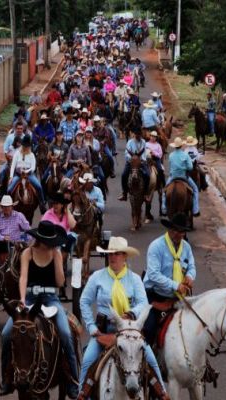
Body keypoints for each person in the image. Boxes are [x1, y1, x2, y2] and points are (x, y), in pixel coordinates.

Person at [78, 236, 168, 400]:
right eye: (110, 253)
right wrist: (91, 327)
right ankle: (81, 395)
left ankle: (163, 394)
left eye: (117, 254)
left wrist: (132, 313)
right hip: (105, 332)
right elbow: (84, 301)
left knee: (151, 360)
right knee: (87, 360)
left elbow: (143, 302)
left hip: (130, 332)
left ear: (125, 256)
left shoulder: (134, 279)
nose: (113, 257)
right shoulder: (97, 277)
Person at [0, 221, 80, 398]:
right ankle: (6, 378)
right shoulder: (28, 253)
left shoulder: (56, 253)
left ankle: (74, 380)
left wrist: (57, 259)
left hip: (51, 298)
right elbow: (23, 278)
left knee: (66, 334)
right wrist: (21, 300)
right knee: (6, 334)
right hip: (29, 298)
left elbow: (60, 283)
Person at [142, 213, 196, 345]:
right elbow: (153, 274)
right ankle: (147, 361)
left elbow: (191, 267)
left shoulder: (186, 247)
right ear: (169, 229)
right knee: (148, 329)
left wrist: (190, 276)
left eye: (181, 231)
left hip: (178, 297)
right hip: (155, 296)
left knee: (196, 325)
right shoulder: (156, 246)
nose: (178, 234)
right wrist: (175, 285)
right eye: (175, 230)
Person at [161, 137, 200, 217]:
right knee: (195, 189)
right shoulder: (185, 155)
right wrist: (184, 167)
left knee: (164, 191)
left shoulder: (171, 155)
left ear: (174, 146)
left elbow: (171, 165)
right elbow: (190, 167)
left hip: (173, 176)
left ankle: (164, 208)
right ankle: (195, 210)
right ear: (181, 146)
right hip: (184, 176)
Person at [0, 195, 30, 268]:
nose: (6, 208)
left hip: (15, 244)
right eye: (4, 206)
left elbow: (28, 230)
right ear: (1, 207)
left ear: (12, 206)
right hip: (3, 243)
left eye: (8, 206)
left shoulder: (19, 216)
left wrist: (23, 241)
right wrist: (2, 238)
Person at [8, 135, 46, 212]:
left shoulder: (31, 155)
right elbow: (13, 165)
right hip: (18, 175)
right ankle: (8, 205)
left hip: (29, 175)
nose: (26, 147)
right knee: (9, 189)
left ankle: (42, 204)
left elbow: (33, 167)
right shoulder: (17, 153)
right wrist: (11, 176)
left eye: (27, 146)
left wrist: (26, 171)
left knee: (39, 186)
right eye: (24, 145)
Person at [41, 192, 77, 261]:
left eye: (57, 203)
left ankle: (59, 263)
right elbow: (42, 227)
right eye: (53, 203)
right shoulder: (48, 214)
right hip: (52, 240)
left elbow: (72, 226)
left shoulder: (66, 214)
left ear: (62, 205)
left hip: (64, 241)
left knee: (70, 238)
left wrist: (67, 211)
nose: (55, 205)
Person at [118, 128, 149, 201]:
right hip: (131, 161)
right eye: (137, 135)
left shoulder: (143, 142)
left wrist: (142, 159)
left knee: (147, 175)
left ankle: (145, 193)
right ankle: (124, 193)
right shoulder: (130, 142)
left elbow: (144, 152)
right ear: (134, 135)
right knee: (124, 175)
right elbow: (127, 153)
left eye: (139, 135)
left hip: (140, 162)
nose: (138, 136)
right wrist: (132, 158)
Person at [0, 123, 26, 200]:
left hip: (22, 164)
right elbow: (6, 151)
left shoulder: (25, 137)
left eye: (21, 128)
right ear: (15, 129)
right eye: (18, 128)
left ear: (23, 129)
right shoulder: (9, 137)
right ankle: (0, 193)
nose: (19, 130)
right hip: (10, 162)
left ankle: (39, 198)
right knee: (1, 172)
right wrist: (10, 159)